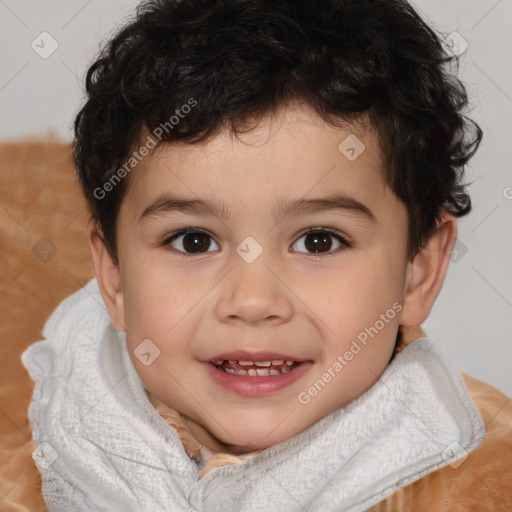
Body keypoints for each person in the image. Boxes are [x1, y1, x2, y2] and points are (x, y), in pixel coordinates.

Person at [22, 0, 512, 510]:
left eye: (319, 241)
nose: (253, 301)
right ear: (114, 278)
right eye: (194, 241)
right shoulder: (28, 473)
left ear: (418, 274)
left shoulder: (491, 485)